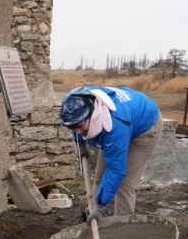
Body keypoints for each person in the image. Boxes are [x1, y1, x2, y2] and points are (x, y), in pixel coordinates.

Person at [59, 85, 163, 221]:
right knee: (100, 177)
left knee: (124, 183)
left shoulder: (114, 126)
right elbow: (76, 125)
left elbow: (116, 170)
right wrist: (81, 144)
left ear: (92, 114)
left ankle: (122, 228)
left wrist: (100, 206)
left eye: (79, 127)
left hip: (145, 128)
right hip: (126, 120)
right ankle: (93, 216)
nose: (77, 131)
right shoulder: (80, 101)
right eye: (72, 128)